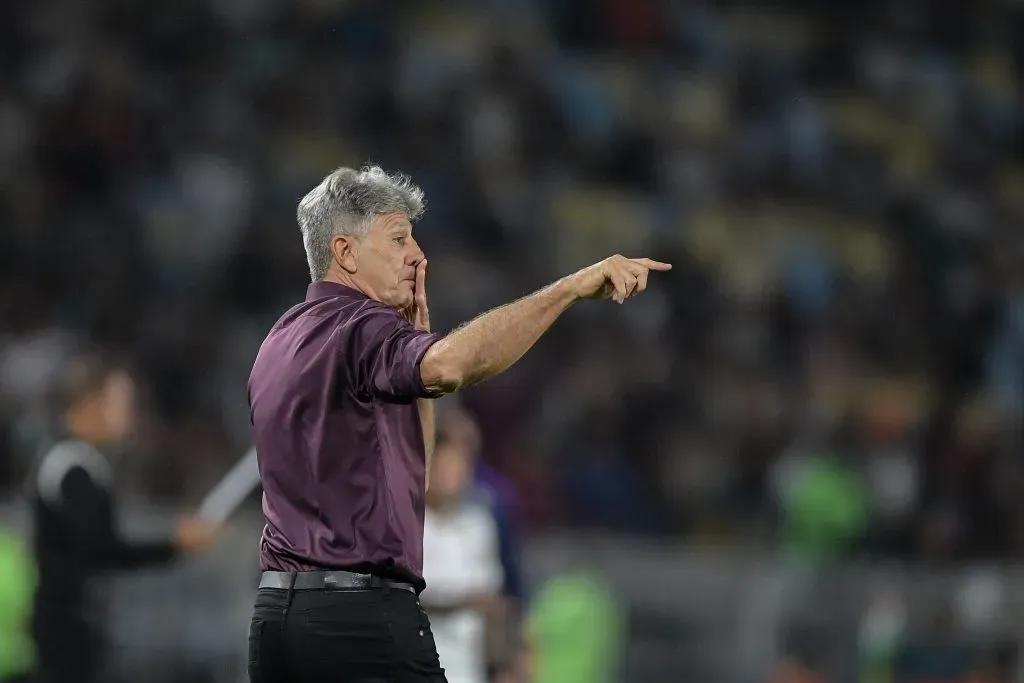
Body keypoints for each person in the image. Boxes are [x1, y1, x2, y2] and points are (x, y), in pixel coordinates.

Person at [246, 164, 671, 683]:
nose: (417, 254)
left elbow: (412, 477)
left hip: (277, 618)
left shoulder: (280, 339)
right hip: (361, 620)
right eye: (398, 238)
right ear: (345, 252)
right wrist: (568, 290)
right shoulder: (363, 326)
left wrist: (416, 374)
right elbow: (450, 367)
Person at [29, 353, 218, 683]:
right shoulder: (72, 468)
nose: (129, 415)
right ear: (90, 403)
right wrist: (174, 544)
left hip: (71, 621)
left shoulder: (75, 462)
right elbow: (99, 549)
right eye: (121, 403)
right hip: (65, 625)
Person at [421, 423, 503, 683]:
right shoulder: (409, 525)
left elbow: (490, 598)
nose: (453, 475)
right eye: (445, 466)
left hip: (467, 669)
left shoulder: (479, 523)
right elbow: (407, 596)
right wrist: (463, 602)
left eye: (460, 466)